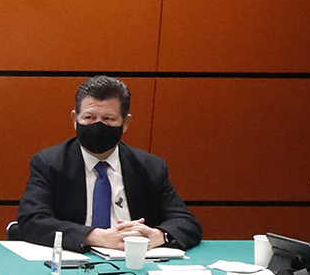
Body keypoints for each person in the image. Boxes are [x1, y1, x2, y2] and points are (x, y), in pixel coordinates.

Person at [14, 75, 202, 252]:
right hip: (76, 260)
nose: (98, 125)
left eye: (108, 119)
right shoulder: (50, 163)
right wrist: (95, 236)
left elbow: (186, 222)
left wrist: (157, 236)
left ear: (125, 123)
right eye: (89, 118)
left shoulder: (149, 167)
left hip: (134, 260)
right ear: (75, 119)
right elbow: (32, 220)